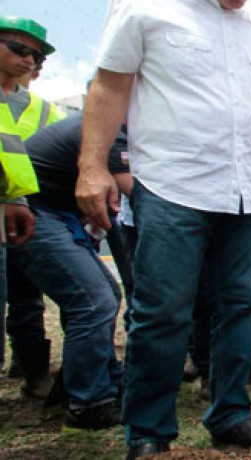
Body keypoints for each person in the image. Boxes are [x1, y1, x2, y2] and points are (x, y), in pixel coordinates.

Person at [77, 1, 251, 457]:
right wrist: (91, 166)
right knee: (163, 311)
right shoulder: (145, 9)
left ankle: (230, 413)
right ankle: (148, 431)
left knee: (241, 305)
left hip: (240, 193)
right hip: (172, 185)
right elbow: (109, 86)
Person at [9, 113, 126, 430]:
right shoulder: (113, 128)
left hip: (56, 212)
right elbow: (138, 193)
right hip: (33, 211)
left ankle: (105, 382)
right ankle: (88, 403)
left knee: (105, 295)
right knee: (93, 301)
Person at [0, 15, 59, 386]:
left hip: (29, 213)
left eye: (36, 58)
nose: (28, 62)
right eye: (19, 50)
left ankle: (32, 372)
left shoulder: (43, 110)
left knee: (26, 296)